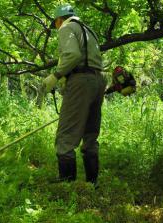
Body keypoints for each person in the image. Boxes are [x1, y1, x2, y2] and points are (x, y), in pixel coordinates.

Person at [43, 4, 106, 186]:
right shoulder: (89, 31)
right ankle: (92, 183)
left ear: (58, 20)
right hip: (98, 80)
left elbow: (72, 55)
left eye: (55, 23)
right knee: (90, 134)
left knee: (66, 134)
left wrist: (56, 76)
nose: (56, 27)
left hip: (80, 82)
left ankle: (67, 185)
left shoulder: (66, 28)